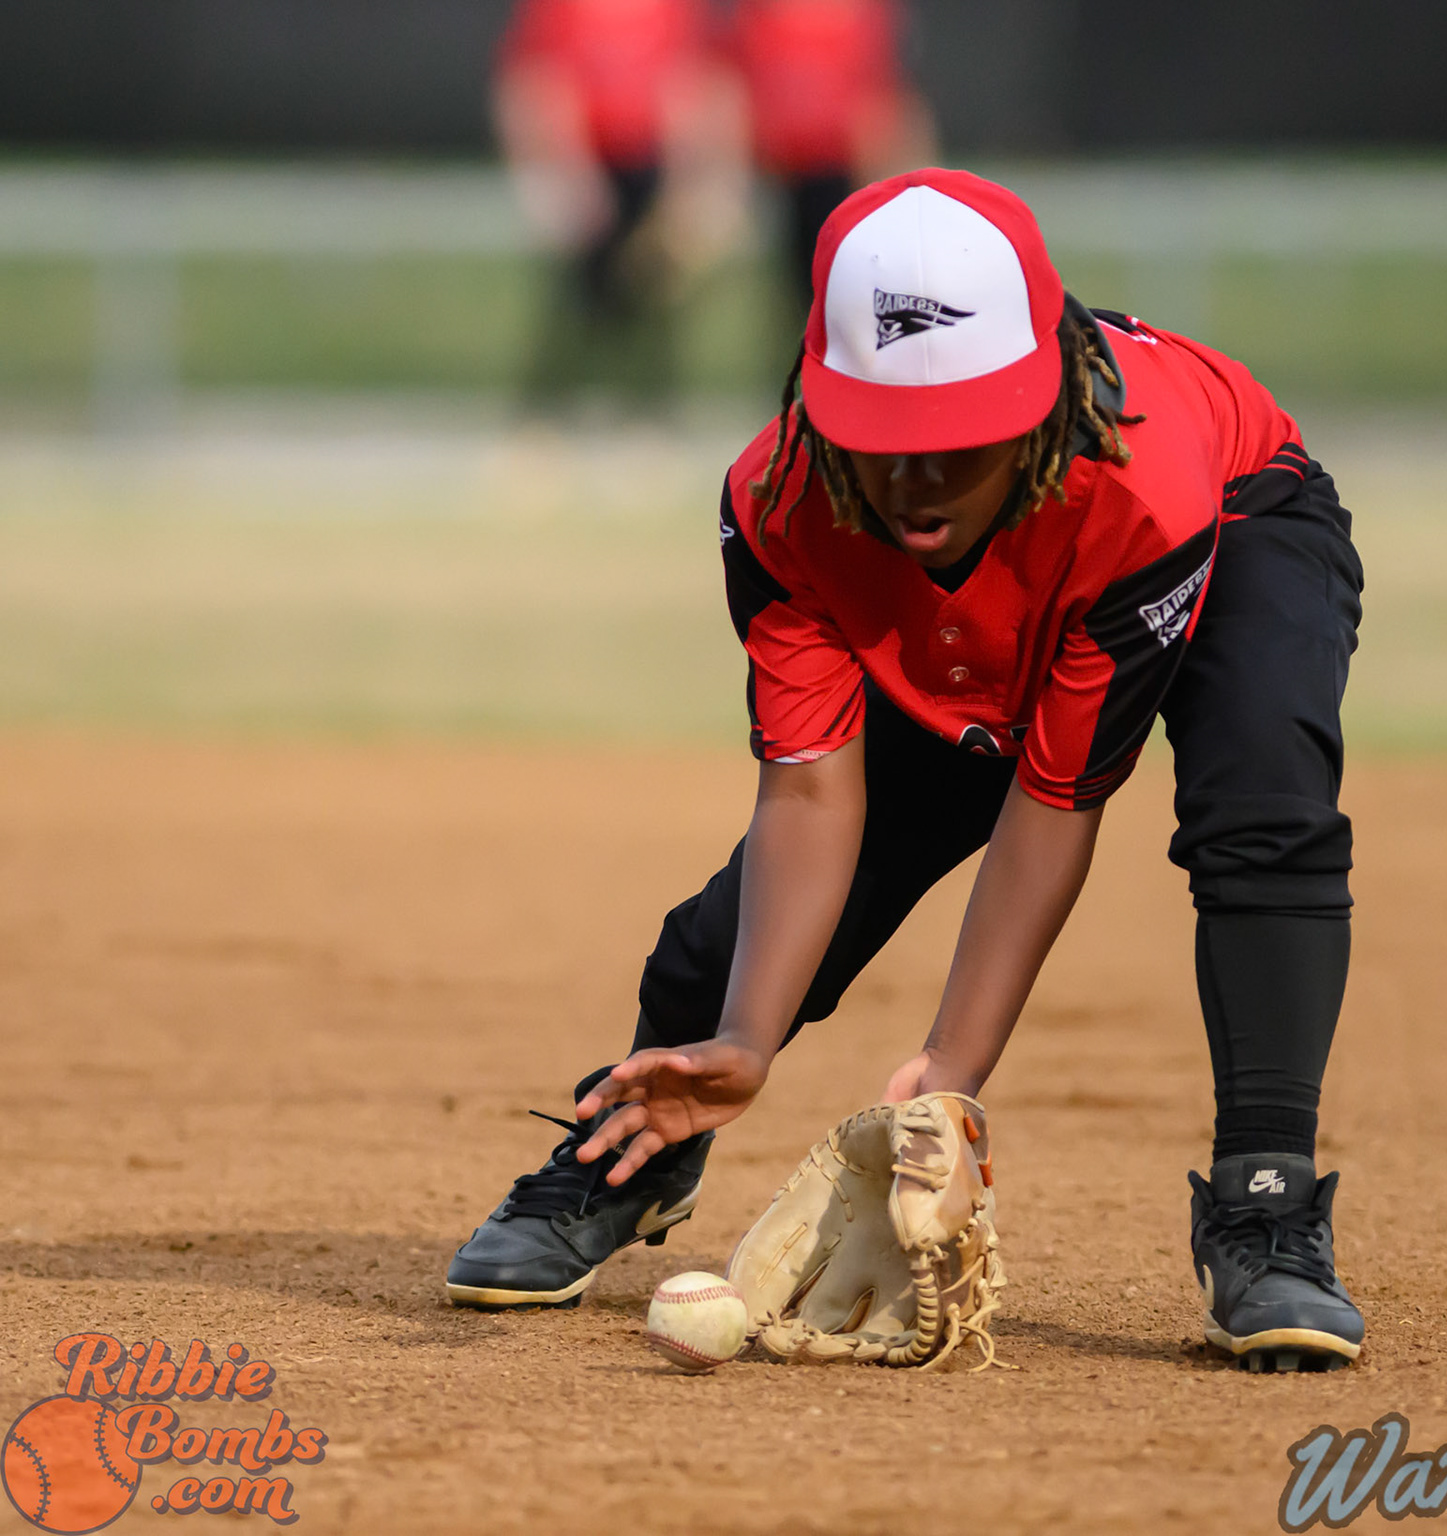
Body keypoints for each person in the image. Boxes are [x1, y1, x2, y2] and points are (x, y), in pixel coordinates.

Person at [444, 169, 1368, 1372]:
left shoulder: (1137, 483)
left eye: (959, 437)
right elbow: (814, 790)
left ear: (1036, 402)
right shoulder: (781, 502)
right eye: (885, 439)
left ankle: (1265, 1211)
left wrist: (949, 1076)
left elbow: (1056, 791)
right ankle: (641, 1152)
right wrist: (744, 1039)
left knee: (1264, 810)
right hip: (1009, 581)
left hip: (1232, 518)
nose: (919, 479)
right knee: (711, 952)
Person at [495, 0, 710, 406]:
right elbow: (536, 83)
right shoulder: (561, 11)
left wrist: (688, 185)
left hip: (649, 164)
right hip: (583, 164)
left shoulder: (670, 11)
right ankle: (546, 413)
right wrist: (552, 173)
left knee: (653, 291)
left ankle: (649, 412)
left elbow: (687, 86)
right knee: (575, 298)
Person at [726, 0, 934, 321]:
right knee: (796, 287)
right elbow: (736, 88)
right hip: (779, 172)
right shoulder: (757, 17)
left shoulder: (865, 17)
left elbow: (889, 99)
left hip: (845, 171)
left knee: (848, 281)